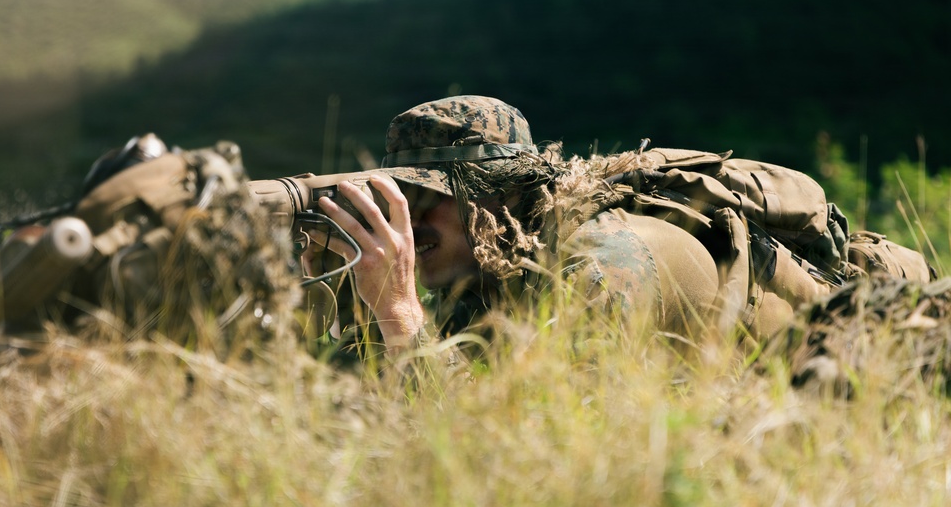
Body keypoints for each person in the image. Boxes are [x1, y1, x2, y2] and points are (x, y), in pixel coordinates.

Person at [299, 95, 751, 357]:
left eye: (430, 197)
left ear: (506, 193)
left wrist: (400, 312)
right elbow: (370, 404)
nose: (410, 222)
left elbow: (539, 448)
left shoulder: (600, 268)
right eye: (399, 200)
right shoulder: (492, 268)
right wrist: (353, 303)